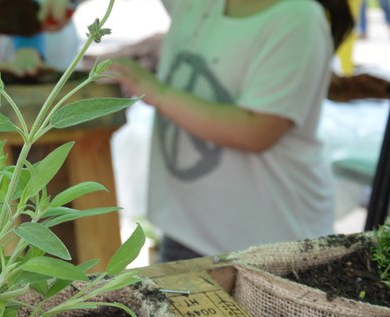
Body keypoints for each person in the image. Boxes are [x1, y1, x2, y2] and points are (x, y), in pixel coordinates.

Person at [109, 0, 354, 262]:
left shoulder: (298, 18)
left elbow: (256, 130)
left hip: (268, 248)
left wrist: (155, 91)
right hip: (185, 230)